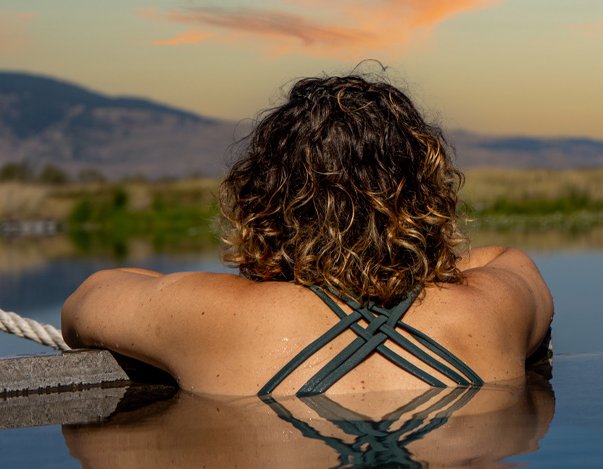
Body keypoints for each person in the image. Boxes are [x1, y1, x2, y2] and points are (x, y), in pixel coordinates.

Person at [62, 74, 553, 396]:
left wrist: (253, 279)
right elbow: (503, 256)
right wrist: (418, 263)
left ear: (264, 201)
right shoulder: (491, 308)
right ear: (424, 195)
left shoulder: (214, 316)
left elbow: (86, 302)